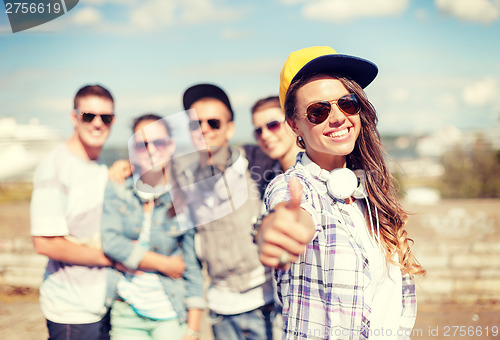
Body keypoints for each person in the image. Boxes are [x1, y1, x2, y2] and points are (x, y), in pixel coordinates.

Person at [254, 46, 426, 339]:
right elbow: (290, 213)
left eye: (347, 103)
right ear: (295, 125)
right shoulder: (293, 186)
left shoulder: (369, 190)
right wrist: (277, 231)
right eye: (317, 111)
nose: (337, 118)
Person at [179, 83, 275, 339]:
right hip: (220, 311)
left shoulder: (256, 161)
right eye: (195, 124)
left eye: (213, 123)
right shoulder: (187, 180)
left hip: (263, 304)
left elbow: (291, 149)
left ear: (230, 128)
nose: (204, 130)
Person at [101, 114, 205, 340]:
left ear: (171, 145)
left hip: (170, 312)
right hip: (126, 310)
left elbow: (191, 267)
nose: (150, 150)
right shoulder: (118, 187)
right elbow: (110, 241)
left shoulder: (184, 196)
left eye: (158, 142)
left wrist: (193, 328)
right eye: (141, 144)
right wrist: (164, 264)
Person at [30, 84, 116, 339]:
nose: (97, 123)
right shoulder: (55, 166)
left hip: (99, 305)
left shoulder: (99, 167)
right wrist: (113, 258)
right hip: (70, 312)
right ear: (74, 117)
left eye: (106, 117)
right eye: (88, 115)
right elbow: (45, 243)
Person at [251, 96, 301, 197]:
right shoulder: (266, 179)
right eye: (258, 131)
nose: (264, 135)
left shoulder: (321, 170)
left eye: (273, 125)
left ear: (293, 123)